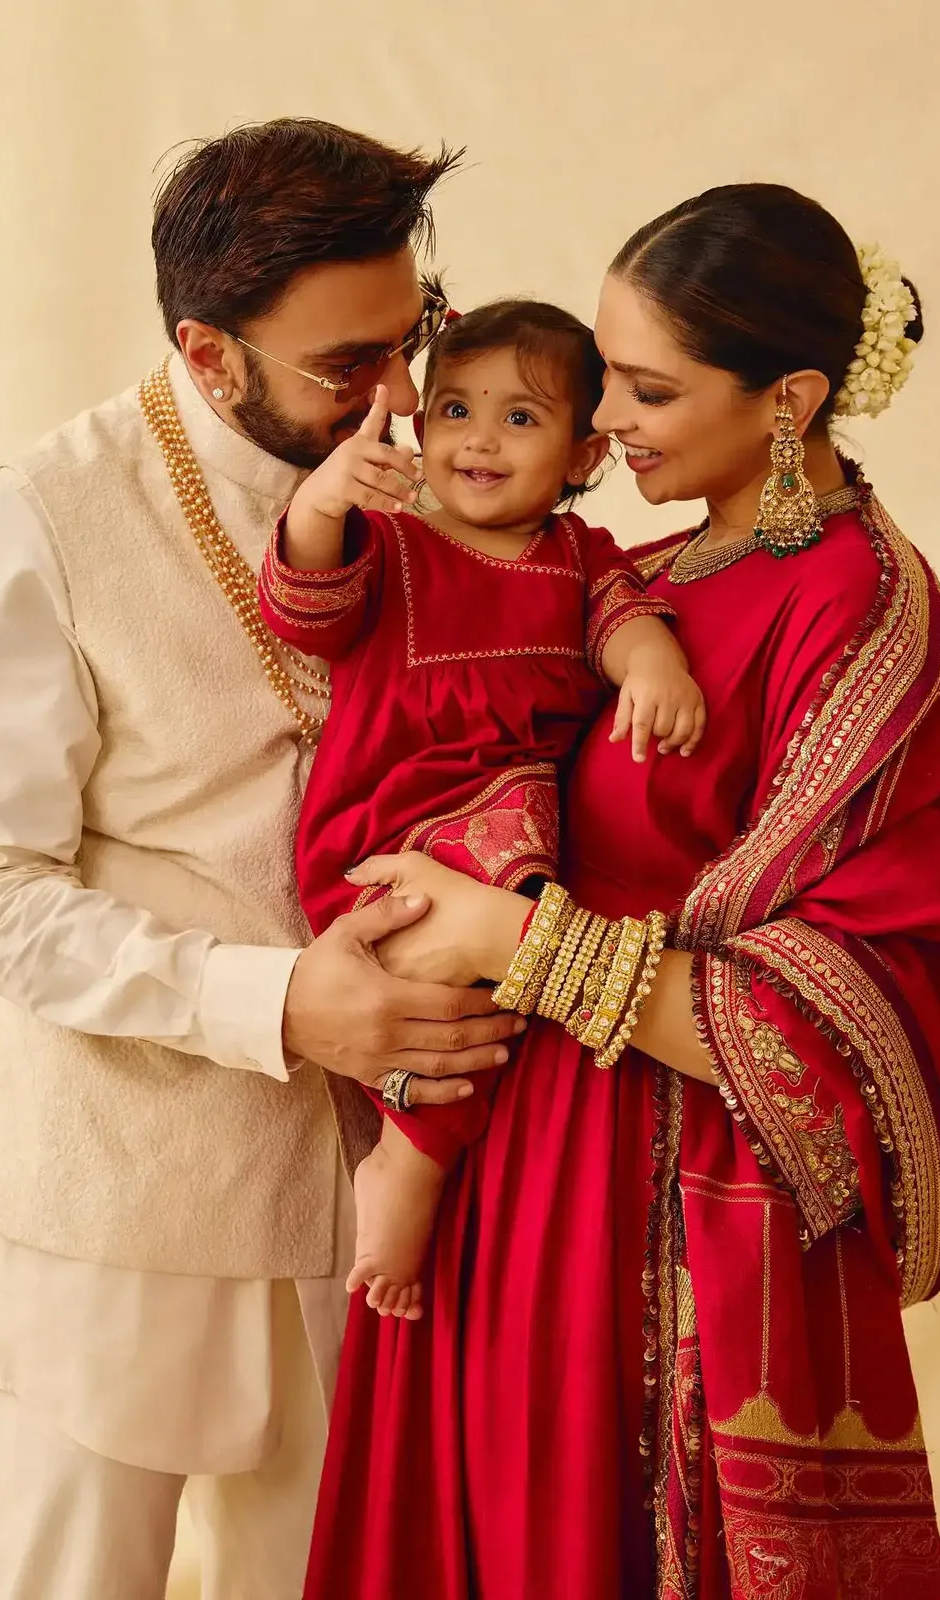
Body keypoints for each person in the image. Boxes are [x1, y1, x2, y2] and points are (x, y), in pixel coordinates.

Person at [302, 184, 940, 1600]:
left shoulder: (861, 611)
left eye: (645, 387)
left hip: (667, 1202)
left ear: (791, 398)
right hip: (513, 1147)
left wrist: (527, 944)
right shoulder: (631, 574)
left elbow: (865, 1006)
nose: (604, 422)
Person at [0, 118, 524, 1600]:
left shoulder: (441, 476)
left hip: (388, 1189)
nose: (394, 398)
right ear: (208, 346)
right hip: (124, 1187)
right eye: (341, 368)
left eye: (411, 336)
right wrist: (274, 1006)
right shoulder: (35, 523)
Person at [257, 299, 704, 1316]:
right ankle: (408, 1164)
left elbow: (626, 624)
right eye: (454, 408)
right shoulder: (396, 542)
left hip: (506, 827)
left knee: (488, 993)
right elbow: (303, 602)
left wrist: (655, 665)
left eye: (519, 419)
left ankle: (409, 1155)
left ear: (585, 451)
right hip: (388, 817)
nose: (476, 439)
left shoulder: (580, 555)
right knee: (489, 949)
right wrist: (325, 499)